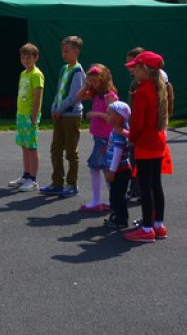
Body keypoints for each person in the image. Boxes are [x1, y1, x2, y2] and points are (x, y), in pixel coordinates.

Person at [122, 51, 170, 243]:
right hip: (158, 142)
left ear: (145, 69)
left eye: (135, 67)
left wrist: (132, 139)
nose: (132, 71)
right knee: (156, 185)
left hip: (145, 143)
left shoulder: (142, 91)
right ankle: (158, 225)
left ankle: (147, 228)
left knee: (145, 187)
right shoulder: (159, 88)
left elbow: (137, 123)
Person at [41, 36, 85, 197]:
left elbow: (74, 96)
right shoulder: (64, 69)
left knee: (71, 151)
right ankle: (57, 182)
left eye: (67, 51)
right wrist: (54, 107)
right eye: (62, 51)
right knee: (56, 149)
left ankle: (72, 184)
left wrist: (60, 109)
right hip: (59, 114)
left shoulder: (78, 71)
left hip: (71, 116)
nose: (64, 54)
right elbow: (59, 91)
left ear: (76, 51)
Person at [78, 64, 118, 212]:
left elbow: (112, 117)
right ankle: (113, 199)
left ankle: (99, 201)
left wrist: (95, 114)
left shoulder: (109, 95)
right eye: (91, 81)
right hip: (99, 136)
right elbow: (79, 97)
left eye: (96, 81)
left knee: (98, 167)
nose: (93, 84)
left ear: (104, 79)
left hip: (106, 138)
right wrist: (86, 85)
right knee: (104, 168)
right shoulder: (96, 94)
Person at [9, 43, 45, 192]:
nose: (25, 60)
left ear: (36, 58)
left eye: (28, 58)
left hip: (30, 116)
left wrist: (34, 115)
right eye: (23, 58)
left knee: (31, 147)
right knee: (24, 146)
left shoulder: (36, 74)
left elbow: (37, 97)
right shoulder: (23, 73)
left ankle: (33, 179)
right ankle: (26, 175)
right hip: (21, 115)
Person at [102, 101, 133, 231]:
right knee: (115, 194)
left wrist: (112, 171)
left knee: (118, 195)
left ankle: (121, 219)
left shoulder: (119, 134)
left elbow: (118, 154)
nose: (106, 116)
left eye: (109, 114)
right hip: (118, 169)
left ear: (119, 118)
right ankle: (116, 215)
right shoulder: (116, 131)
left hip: (120, 170)